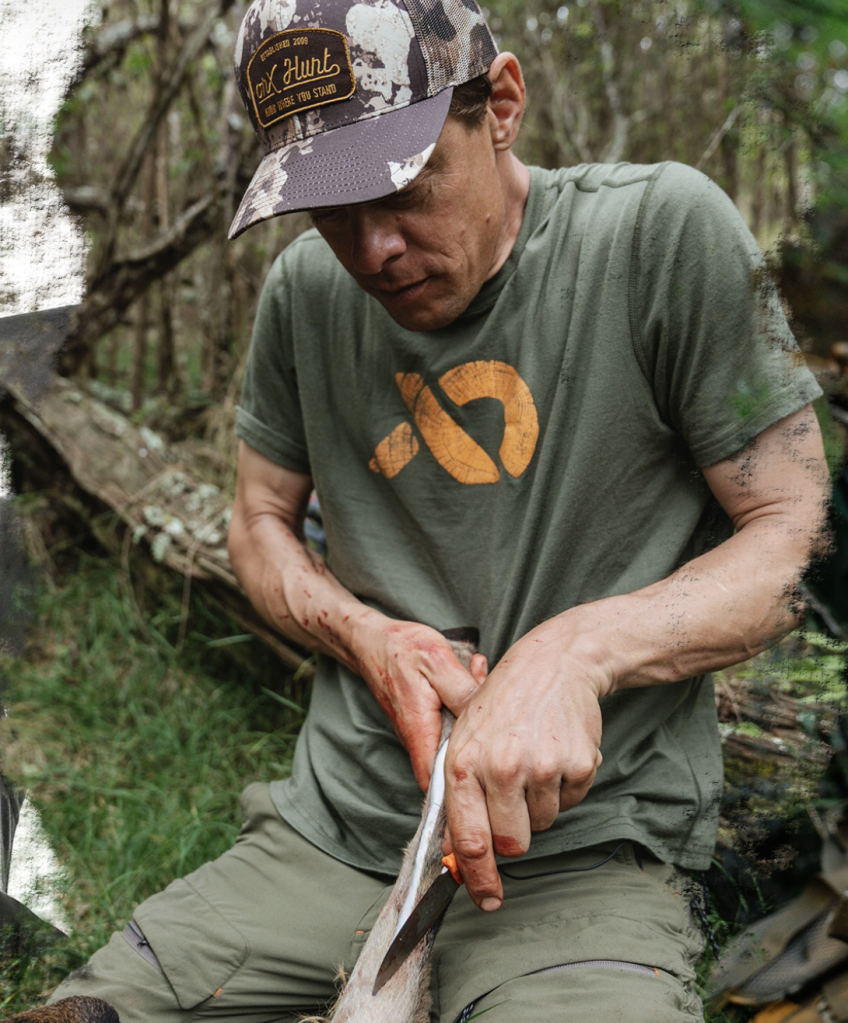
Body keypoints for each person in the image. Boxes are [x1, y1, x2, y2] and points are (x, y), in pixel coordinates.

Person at [41, 0, 828, 1020]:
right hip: (337, 832)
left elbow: (796, 536)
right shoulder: (303, 296)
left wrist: (575, 655)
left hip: (581, 855)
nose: (370, 251)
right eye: (328, 208)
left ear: (498, 104)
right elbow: (256, 519)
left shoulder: (655, 238)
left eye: (400, 187)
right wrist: (365, 637)